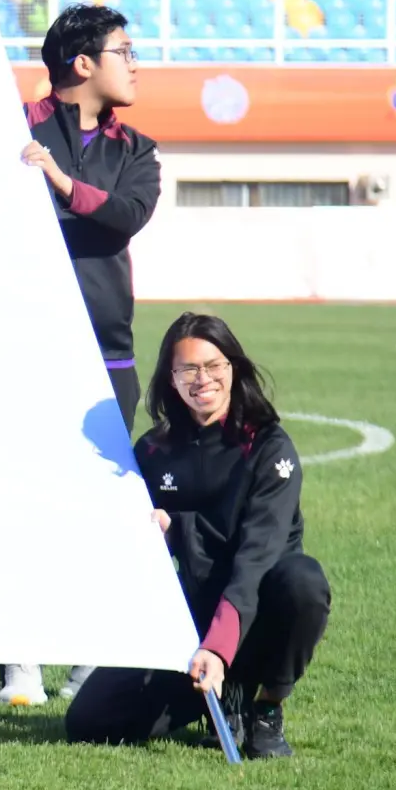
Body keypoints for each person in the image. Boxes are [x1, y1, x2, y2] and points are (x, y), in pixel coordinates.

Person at [67, 313, 328, 760]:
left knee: (303, 582)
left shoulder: (269, 447)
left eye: (213, 366)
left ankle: (266, 706)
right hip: (194, 611)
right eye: (188, 369)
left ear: (233, 369)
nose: (202, 379)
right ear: (171, 378)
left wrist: (218, 648)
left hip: (256, 605)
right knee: (89, 720)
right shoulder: (153, 450)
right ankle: (220, 699)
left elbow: (255, 559)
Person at [2, 3, 159, 708]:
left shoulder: (138, 151)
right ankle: (19, 661)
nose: (136, 64)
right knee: (17, 500)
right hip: (20, 345)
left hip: (107, 356)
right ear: (84, 63)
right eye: (125, 51)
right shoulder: (13, 130)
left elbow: (125, 216)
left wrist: (61, 186)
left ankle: (89, 658)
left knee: (98, 507)